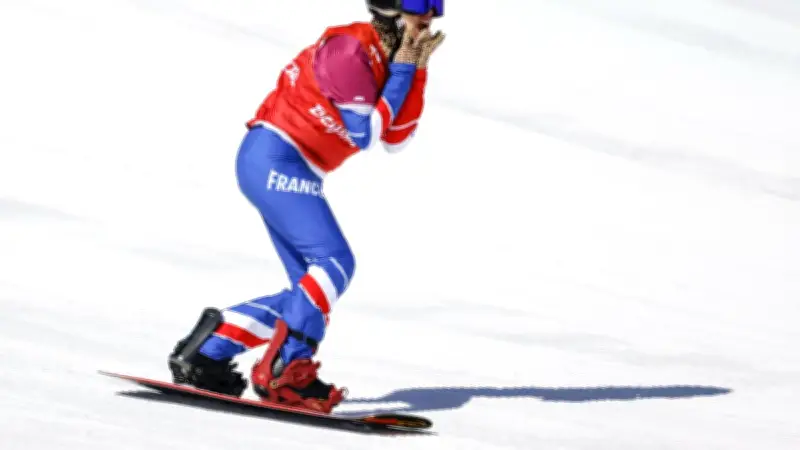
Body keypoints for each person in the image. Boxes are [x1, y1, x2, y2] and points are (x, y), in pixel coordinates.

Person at [166, 0, 445, 414]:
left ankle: (210, 350)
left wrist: (415, 70)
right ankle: (283, 369)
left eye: (436, 8)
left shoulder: (390, 58)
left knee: (312, 293)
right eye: (421, 7)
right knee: (335, 263)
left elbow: (396, 139)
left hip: (295, 166)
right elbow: (365, 134)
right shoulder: (348, 48)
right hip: (275, 156)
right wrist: (404, 69)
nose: (431, 17)